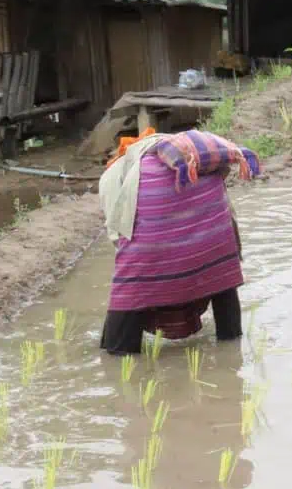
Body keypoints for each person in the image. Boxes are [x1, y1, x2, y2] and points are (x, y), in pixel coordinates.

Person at [98, 128, 261, 355]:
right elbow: (228, 217)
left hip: (150, 242)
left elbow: (118, 232)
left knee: (126, 307)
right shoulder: (197, 159)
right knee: (221, 277)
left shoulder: (115, 172)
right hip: (214, 236)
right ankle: (231, 341)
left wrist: (145, 270)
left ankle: (118, 351)